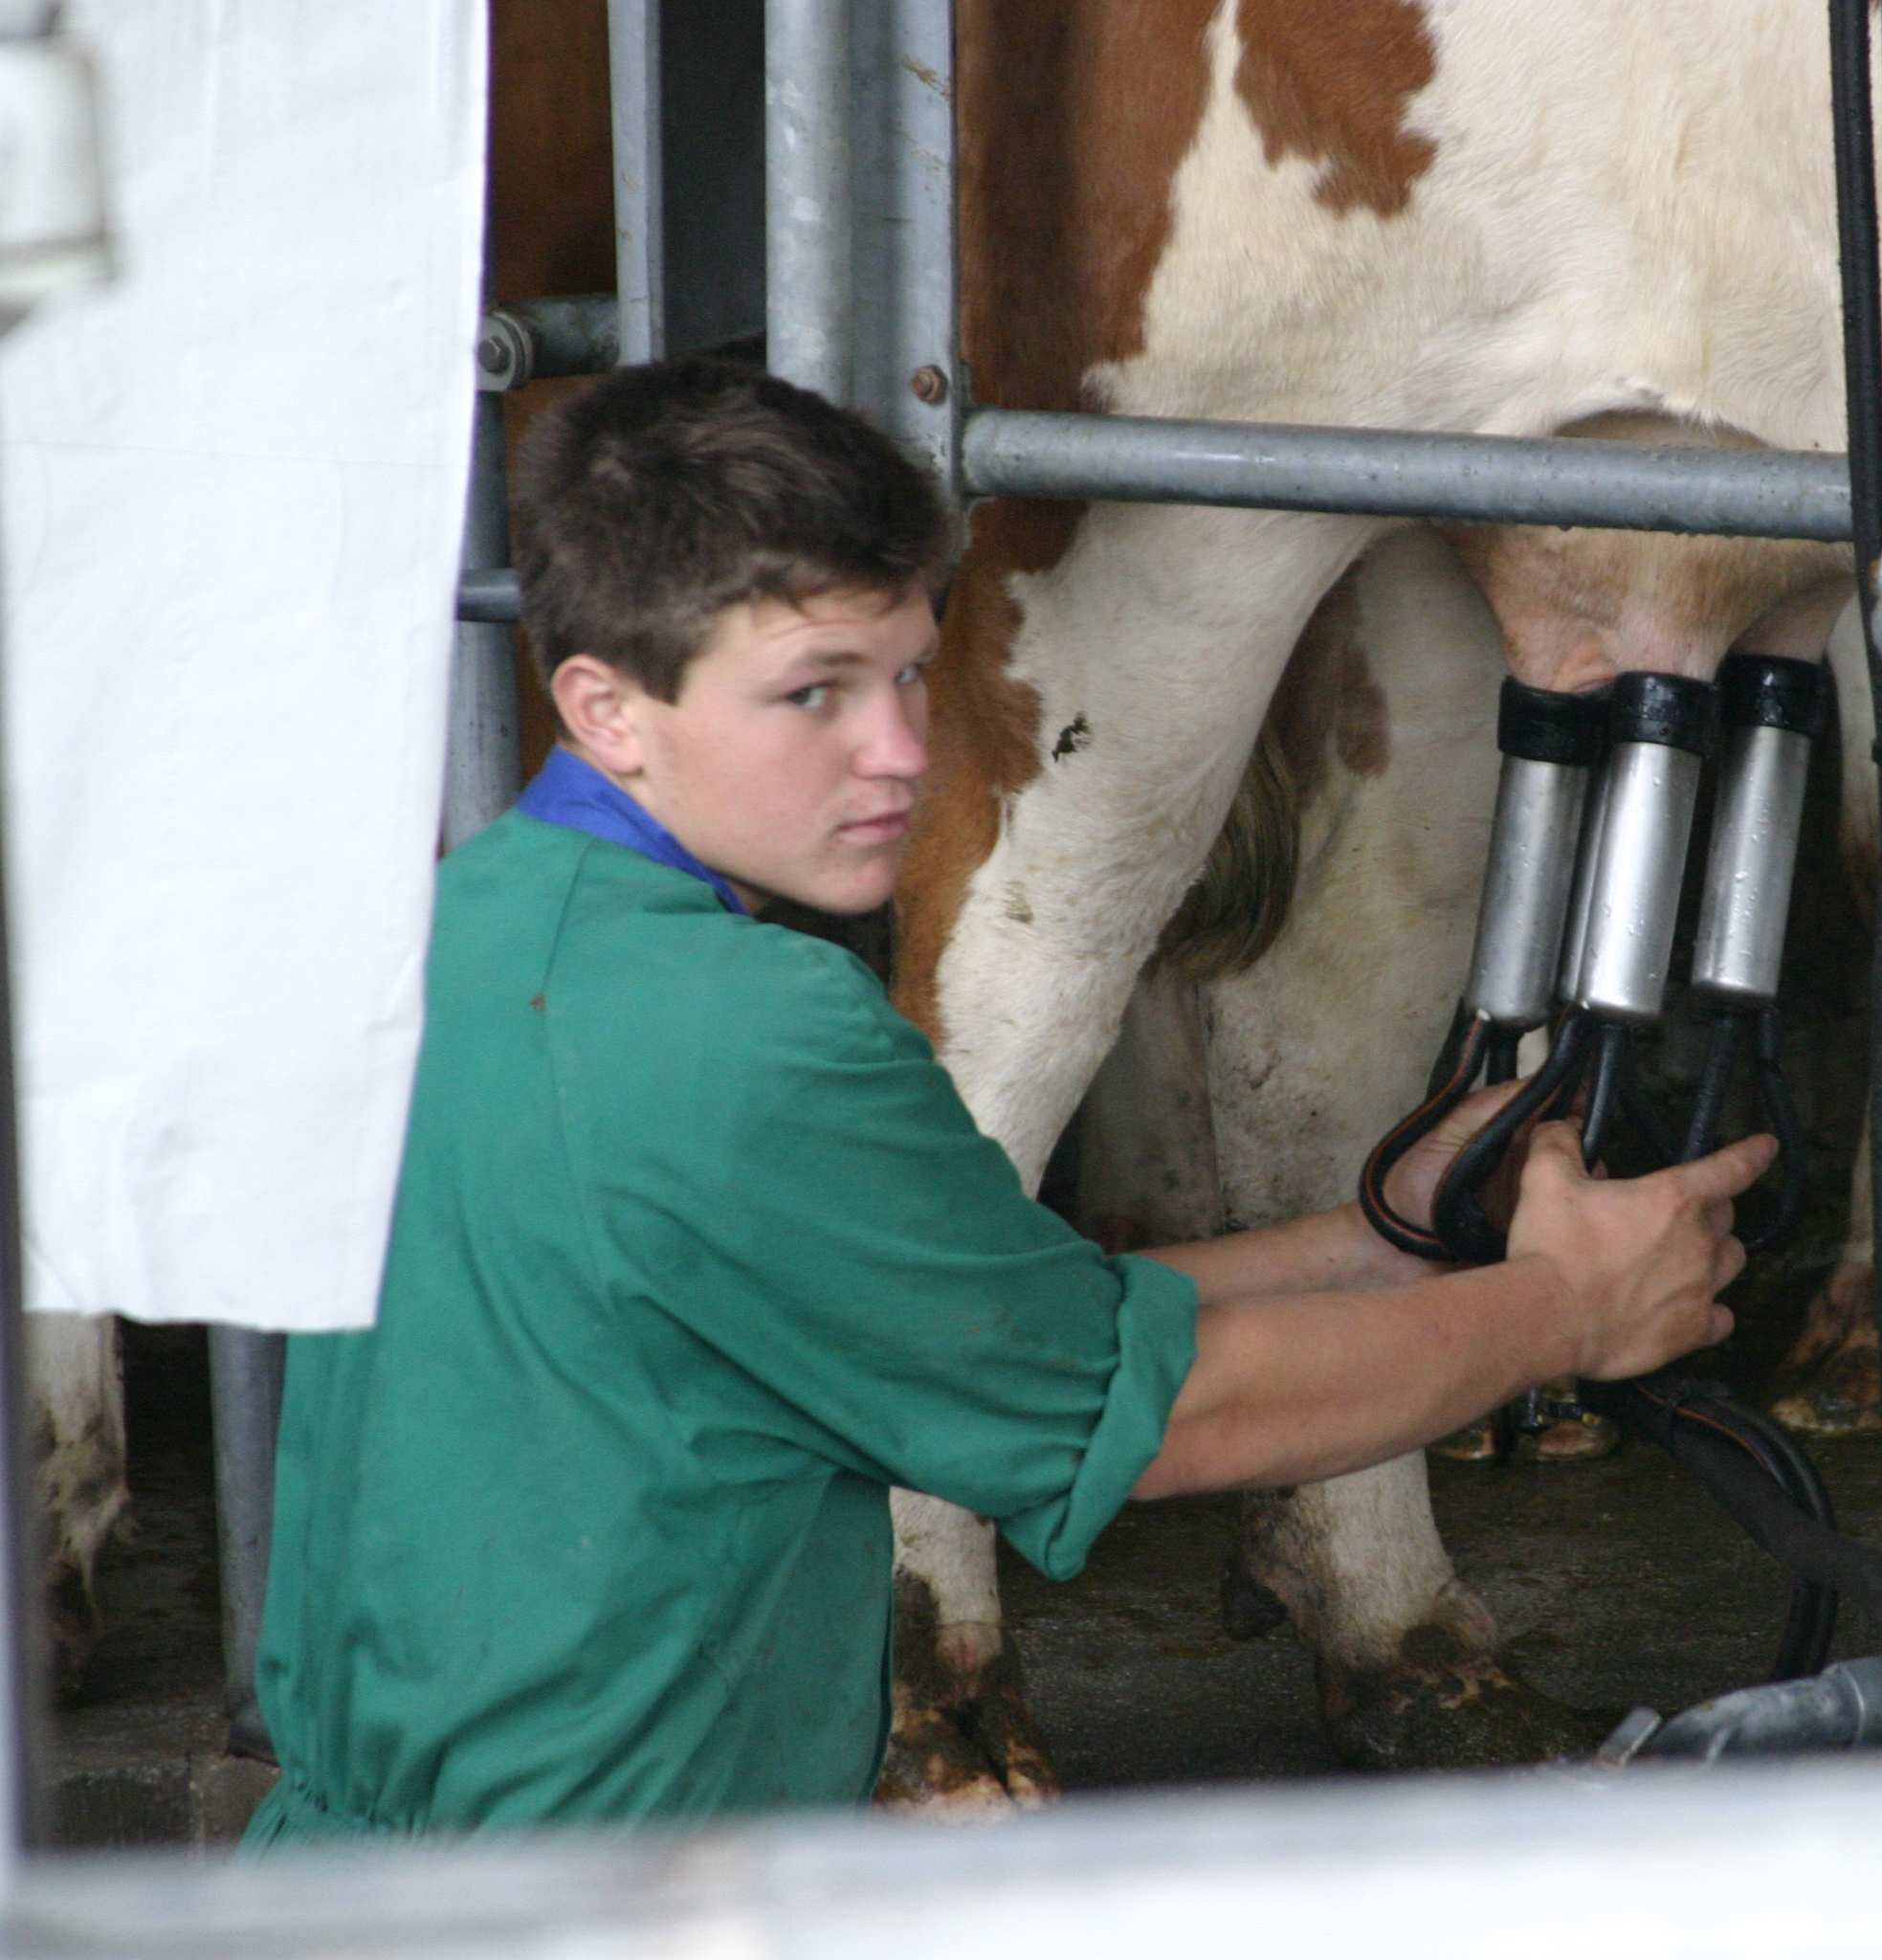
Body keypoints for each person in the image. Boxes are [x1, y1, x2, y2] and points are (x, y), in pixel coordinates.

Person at [241, 358, 1767, 1845]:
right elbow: (1159, 1415)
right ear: (606, 706)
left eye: (910, 671)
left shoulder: (464, 928)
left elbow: (988, 1317)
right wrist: (1569, 1315)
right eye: (812, 695)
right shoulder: (752, 1031)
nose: (901, 752)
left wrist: (1394, 1226)